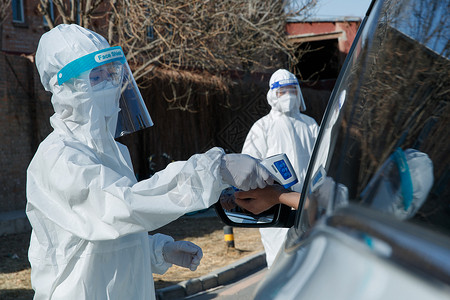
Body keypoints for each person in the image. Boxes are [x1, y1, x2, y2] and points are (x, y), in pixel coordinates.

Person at [26, 24, 273, 300]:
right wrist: (214, 170)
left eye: (110, 74)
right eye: (95, 76)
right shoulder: (59, 157)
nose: (109, 84)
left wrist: (157, 250)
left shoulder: (112, 152)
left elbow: (106, 234)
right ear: (64, 87)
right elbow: (123, 207)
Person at [240, 69, 319, 268]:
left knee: (309, 261)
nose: (289, 95)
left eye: (292, 89)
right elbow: (247, 167)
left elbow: (322, 162)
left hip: (306, 204)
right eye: (283, 91)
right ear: (273, 94)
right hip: (275, 207)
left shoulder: (310, 125)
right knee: (278, 262)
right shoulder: (262, 127)